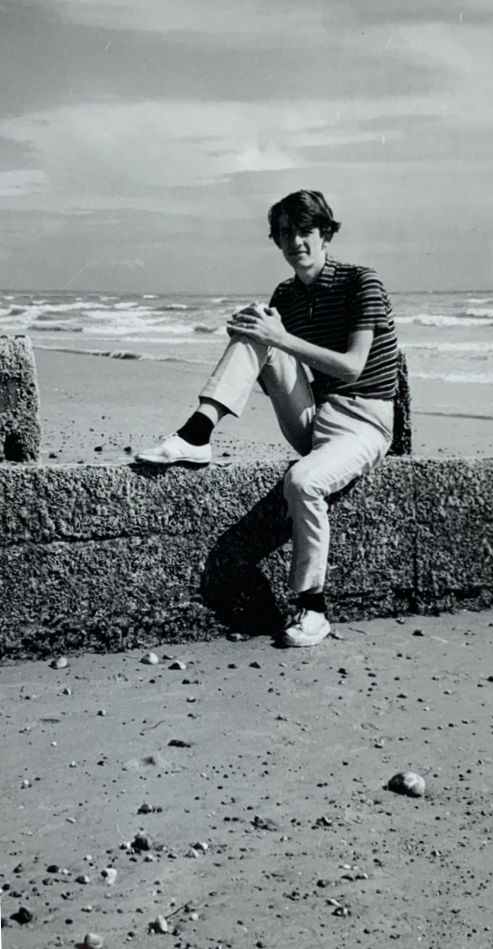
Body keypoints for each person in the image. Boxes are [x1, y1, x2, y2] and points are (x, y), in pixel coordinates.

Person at [136, 190, 398, 647]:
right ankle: (198, 433)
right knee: (258, 321)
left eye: (305, 231)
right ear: (277, 241)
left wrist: (277, 338)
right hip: (315, 416)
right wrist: (251, 337)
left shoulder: (362, 282)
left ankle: (313, 610)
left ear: (325, 235)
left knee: (303, 482)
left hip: (364, 422)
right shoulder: (286, 295)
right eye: (285, 234)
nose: (296, 241)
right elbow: (277, 357)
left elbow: (354, 365)